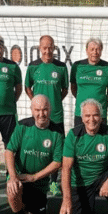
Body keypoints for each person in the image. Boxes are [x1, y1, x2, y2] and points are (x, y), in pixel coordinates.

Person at [5, 95, 64, 214]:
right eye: (37, 110)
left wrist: (34, 177)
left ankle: (25, 204)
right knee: (12, 189)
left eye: (45, 109)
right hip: (20, 177)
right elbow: (8, 151)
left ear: (50, 110)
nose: (41, 114)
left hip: (39, 182)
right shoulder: (22, 126)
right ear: (31, 110)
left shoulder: (57, 132)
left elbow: (57, 162)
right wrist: (12, 177)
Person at [25, 35, 69, 195]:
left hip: (56, 114)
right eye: (45, 47)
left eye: (50, 47)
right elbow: (27, 87)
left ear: (54, 48)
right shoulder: (33, 66)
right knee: (39, 146)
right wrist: (38, 104)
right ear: (39, 48)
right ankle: (40, 178)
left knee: (57, 149)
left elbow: (65, 89)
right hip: (39, 117)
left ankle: (53, 182)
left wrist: (52, 104)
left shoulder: (61, 67)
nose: (48, 50)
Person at [70, 38, 108, 126]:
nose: (95, 52)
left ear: (101, 51)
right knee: (80, 138)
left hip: (100, 114)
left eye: (97, 49)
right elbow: (73, 88)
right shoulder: (77, 66)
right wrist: (83, 100)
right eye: (92, 49)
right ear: (86, 51)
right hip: (81, 113)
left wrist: (103, 105)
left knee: (101, 139)